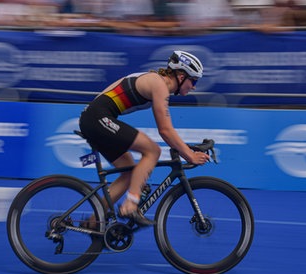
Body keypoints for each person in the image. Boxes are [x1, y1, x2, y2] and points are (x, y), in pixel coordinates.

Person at [78, 50, 210, 227]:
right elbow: (165, 130)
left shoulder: (154, 80)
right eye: (193, 81)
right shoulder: (159, 84)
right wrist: (189, 155)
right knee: (152, 150)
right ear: (180, 76)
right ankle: (130, 205)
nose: (193, 86)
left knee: (129, 172)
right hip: (97, 118)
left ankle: (93, 222)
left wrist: (186, 148)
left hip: (94, 118)